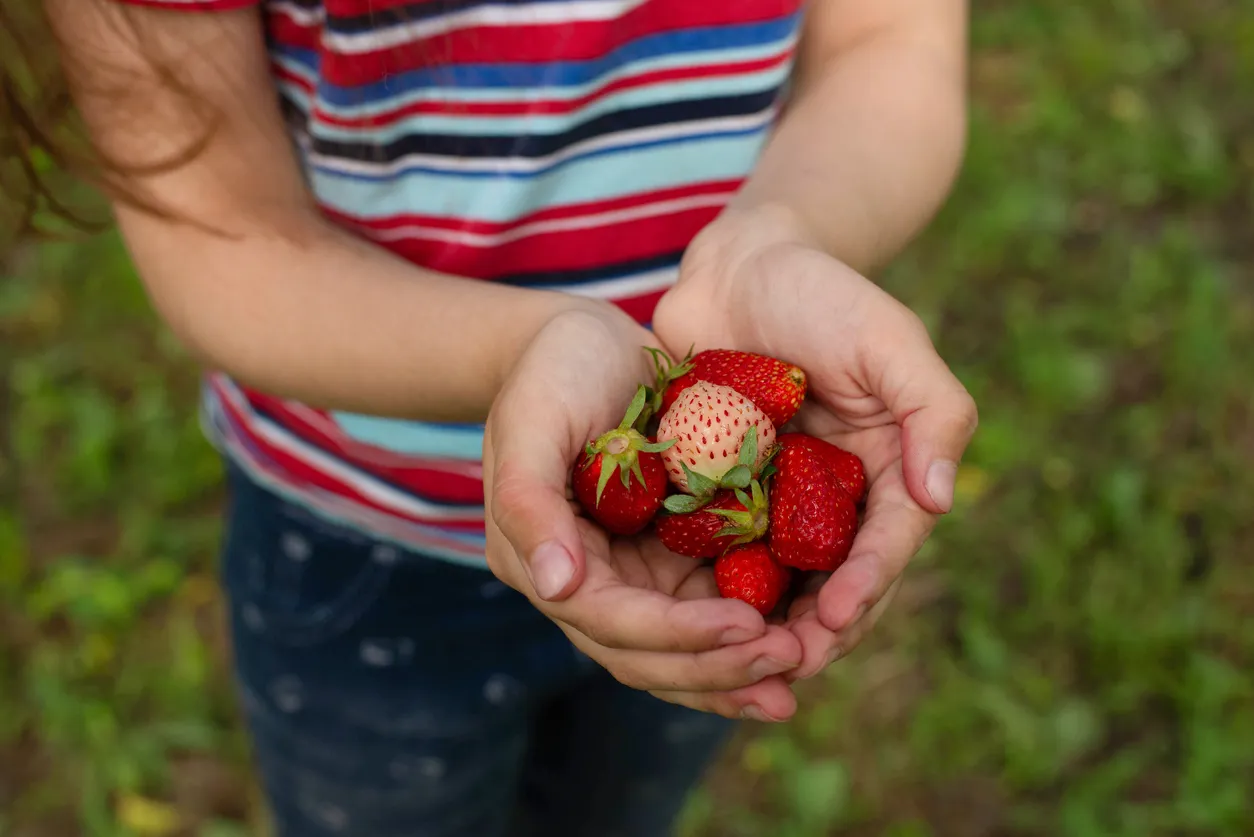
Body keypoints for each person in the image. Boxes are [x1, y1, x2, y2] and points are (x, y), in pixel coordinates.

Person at [24, 0, 977, 833]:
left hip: (704, 580)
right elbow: (218, 237)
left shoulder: (721, 531)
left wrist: (778, 238)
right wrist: (526, 343)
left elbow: (889, 39)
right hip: (366, 544)